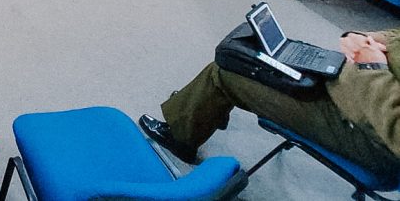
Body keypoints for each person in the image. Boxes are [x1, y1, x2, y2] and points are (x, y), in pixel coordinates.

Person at [139, 29, 400, 179]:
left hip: (369, 132)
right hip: (352, 83)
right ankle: (209, 108)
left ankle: (182, 136)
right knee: (254, 53)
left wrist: (370, 65)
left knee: (225, 71)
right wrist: (366, 38)